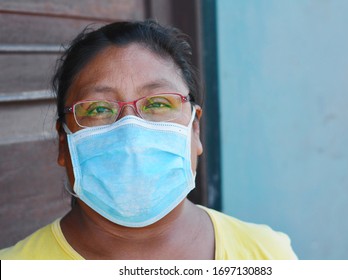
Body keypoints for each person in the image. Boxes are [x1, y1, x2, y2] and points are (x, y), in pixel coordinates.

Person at [0, 20, 297, 260]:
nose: (131, 132)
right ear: (64, 143)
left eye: (158, 104)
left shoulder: (266, 255)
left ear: (195, 130)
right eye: (99, 109)